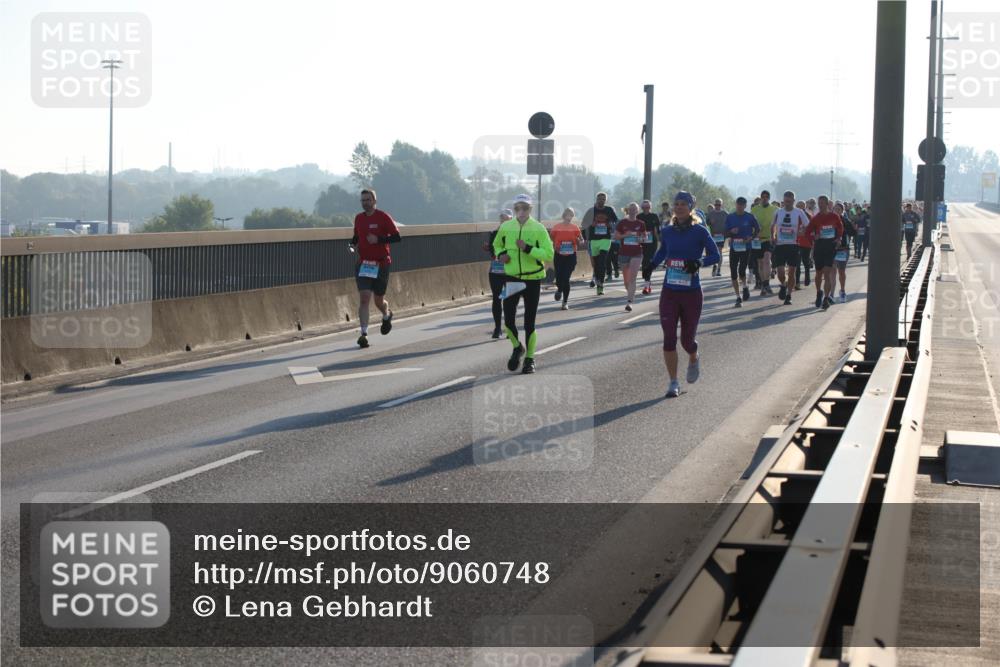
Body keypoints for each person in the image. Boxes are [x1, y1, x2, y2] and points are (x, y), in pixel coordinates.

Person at [648, 191, 721, 398]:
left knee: (686, 341)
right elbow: (664, 251)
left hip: (691, 293)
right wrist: (651, 264)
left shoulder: (700, 231)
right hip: (670, 292)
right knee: (669, 338)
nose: (679, 207)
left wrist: (698, 263)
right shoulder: (668, 231)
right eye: (676, 204)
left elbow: (715, 255)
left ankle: (694, 355)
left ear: (691, 208)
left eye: (683, 204)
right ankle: (673, 382)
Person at [493, 194, 554, 374]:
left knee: (529, 322)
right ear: (514, 209)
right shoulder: (506, 226)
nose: (521, 211)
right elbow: (496, 244)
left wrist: (528, 248)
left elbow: (549, 254)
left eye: (525, 208)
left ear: (530, 209)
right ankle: (517, 347)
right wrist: (500, 255)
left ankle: (530, 359)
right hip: (512, 278)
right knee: (508, 321)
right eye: (518, 208)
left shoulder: (538, 228)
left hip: (532, 279)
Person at [351, 188, 401, 348]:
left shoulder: (383, 217)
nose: (365, 203)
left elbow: (396, 237)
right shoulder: (359, 218)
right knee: (364, 297)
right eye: (363, 200)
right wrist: (351, 244)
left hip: (381, 263)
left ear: (374, 201)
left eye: (368, 200)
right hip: (364, 264)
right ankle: (364, 334)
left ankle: (386, 314)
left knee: (378, 300)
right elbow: (356, 236)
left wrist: (378, 239)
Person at [805, 195, 844, 311]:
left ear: (827, 204)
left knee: (827, 273)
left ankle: (826, 298)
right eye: (819, 203)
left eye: (823, 203)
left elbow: (840, 228)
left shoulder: (834, 216)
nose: (820, 205)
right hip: (819, 247)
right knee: (818, 274)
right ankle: (819, 292)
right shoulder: (816, 218)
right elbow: (808, 232)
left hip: (830, 247)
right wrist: (813, 238)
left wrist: (838, 238)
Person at [772, 190, 810, 305]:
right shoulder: (778, 212)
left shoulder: (799, 212)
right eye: (785, 201)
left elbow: (808, 226)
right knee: (780, 272)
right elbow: (773, 226)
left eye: (790, 201)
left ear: (794, 201)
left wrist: (801, 232)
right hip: (780, 245)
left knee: (792, 272)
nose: (787, 203)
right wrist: (772, 237)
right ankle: (783, 285)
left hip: (794, 245)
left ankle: (788, 295)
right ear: (783, 201)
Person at [483, 208, 513, 337]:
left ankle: (509, 328)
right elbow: (492, 250)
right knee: (496, 298)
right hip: (496, 270)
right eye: (502, 218)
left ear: (511, 220)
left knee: (509, 300)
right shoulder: (494, 232)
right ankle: (497, 328)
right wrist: (487, 248)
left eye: (506, 218)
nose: (503, 220)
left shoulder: (515, 233)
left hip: (511, 271)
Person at [725, 196, 759, 307]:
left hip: (746, 247)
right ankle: (738, 297)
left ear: (745, 206)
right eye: (738, 204)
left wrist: (751, 237)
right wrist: (731, 231)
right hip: (734, 248)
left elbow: (757, 229)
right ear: (736, 205)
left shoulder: (750, 217)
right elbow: (725, 233)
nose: (740, 206)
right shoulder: (730, 217)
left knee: (742, 270)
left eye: (742, 205)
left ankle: (744, 286)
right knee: (733, 272)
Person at [582, 192, 618, 295]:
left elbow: (616, 221)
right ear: (596, 199)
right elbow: (584, 224)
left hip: (605, 240)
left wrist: (610, 224)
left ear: (605, 200)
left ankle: (600, 285)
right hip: (594, 240)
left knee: (602, 261)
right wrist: (585, 236)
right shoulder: (591, 211)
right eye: (599, 199)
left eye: (603, 199)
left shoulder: (609, 210)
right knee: (597, 264)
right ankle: (598, 280)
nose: (601, 201)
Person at [549, 207, 585, 310]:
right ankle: (559, 289)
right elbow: (551, 237)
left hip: (571, 255)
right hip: (559, 255)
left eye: (572, 215)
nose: (570, 216)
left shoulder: (575, 227)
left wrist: (580, 241)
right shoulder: (557, 226)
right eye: (568, 214)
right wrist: (556, 244)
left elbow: (581, 239)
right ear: (564, 215)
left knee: (566, 278)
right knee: (559, 277)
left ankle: (565, 302)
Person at [615, 202, 646, 311]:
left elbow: (644, 238)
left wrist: (640, 239)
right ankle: (630, 295)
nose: (633, 211)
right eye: (631, 209)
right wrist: (625, 235)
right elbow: (616, 236)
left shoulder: (641, 223)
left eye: (635, 209)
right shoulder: (622, 223)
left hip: (637, 253)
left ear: (637, 211)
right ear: (628, 210)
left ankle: (629, 302)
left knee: (633, 278)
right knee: (626, 280)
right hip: (624, 253)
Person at [751, 190, 776, 295]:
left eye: (766, 196)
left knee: (766, 260)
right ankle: (763, 285)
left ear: (769, 198)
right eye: (763, 196)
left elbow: (778, 223)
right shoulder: (755, 209)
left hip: (768, 238)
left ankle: (767, 284)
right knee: (760, 264)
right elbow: (751, 223)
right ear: (761, 198)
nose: (764, 198)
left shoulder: (775, 209)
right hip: (757, 240)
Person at [637, 200, 661, 295]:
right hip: (642, 242)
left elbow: (657, 230)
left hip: (652, 242)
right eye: (644, 207)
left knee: (647, 261)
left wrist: (660, 241)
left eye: (648, 207)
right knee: (644, 262)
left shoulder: (654, 216)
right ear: (642, 208)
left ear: (650, 207)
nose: (646, 209)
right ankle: (647, 280)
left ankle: (647, 283)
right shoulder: (639, 217)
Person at [833, 202, 852, 303]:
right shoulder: (830, 220)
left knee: (841, 272)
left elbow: (853, 232)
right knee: (832, 271)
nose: (836, 211)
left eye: (838, 209)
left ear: (842, 210)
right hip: (831, 249)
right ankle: (830, 295)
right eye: (835, 209)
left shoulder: (845, 220)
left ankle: (842, 291)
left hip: (843, 249)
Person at [707, 198, 728, 277]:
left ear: (721, 205)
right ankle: (715, 265)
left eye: (719, 205)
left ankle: (718, 269)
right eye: (716, 204)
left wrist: (727, 233)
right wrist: (710, 222)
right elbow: (707, 222)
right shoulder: (711, 213)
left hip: (722, 236)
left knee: (719, 251)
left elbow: (729, 223)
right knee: (714, 252)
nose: (717, 206)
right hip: (713, 235)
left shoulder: (725, 213)